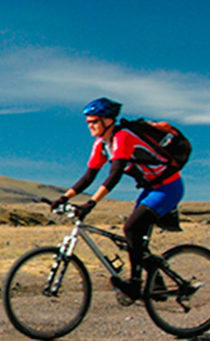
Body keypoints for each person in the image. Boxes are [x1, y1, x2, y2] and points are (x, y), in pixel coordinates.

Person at [51, 97, 185, 301]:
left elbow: (114, 175)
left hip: (169, 187)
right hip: (150, 189)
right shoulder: (101, 145)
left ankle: (134, 284)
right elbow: (89, 176)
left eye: (94, 121)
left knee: (131, 228)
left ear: (108, 121)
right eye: (88, 122)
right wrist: (64, 197)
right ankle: (156, 282)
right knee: (134, 241)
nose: (90, 126)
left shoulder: (123, 137)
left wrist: (91, 203)